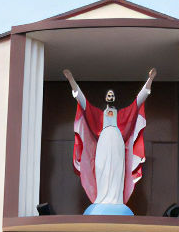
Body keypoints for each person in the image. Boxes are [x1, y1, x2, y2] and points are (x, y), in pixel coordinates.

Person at [64, 67, 156, 215]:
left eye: (112, 94)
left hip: (118, 145)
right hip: (103, 144)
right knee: (102, 169)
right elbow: (82, 101)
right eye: (109, 94)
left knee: (116, 170)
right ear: (105, 98)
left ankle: (116, 199)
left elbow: (139, 101)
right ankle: (102, 198)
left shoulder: (123, 115)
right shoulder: (98, 115)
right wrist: (71, 80)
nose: (111, 96)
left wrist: (150, 79)